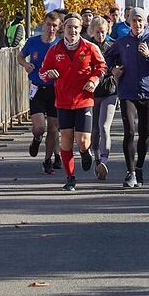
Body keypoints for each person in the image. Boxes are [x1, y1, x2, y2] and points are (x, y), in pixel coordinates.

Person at [37, 13, 107, 191]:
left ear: (80, 29)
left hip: (84, 99)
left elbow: (102, 67)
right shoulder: (54, 50)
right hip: (63, 100)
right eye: (69, 27)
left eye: (76, 27)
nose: (73, 30)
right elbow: (42, 72)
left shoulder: (90, 47)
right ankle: (70, 178)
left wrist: (93, 80)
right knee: (66, 141)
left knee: (82, 140)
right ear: (63, 29)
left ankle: (85, 152)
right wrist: (48, 75)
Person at [106, 8, 149, 187]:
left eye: (140, 20)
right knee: (129, 132)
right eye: (134, 20)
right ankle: (130, 172)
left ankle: (139, 167)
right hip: (127, 91)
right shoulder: (122, 41)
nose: (137, 24)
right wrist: (113, 70)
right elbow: (108, 57)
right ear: (129, 22)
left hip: (148, 91)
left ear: (145, 22)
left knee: (144, 133)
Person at [21, 9, 64, 174]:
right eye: (48, 25)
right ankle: (36, 138)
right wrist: (25, 65)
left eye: (54, 26)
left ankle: (48, 160)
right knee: (40, 128)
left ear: (58, 27)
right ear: (43, 25)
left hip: (55, 89)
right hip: (37, 89)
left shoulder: (60, 44)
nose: (51, 28)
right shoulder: (33, 42)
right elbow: (20, 56)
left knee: (53, 128)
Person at [85, 15, 118, 180]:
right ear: (92, 32)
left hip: (109, 91)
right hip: (91, 93)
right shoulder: (87, 47)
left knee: (104, 126)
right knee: (94, 130)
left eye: (103, 32)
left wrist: (117, 71)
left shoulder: (112, 47)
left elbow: (120, 65)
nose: (100, 35)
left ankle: (104, 160)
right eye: (97, 32)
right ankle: (97, 159)